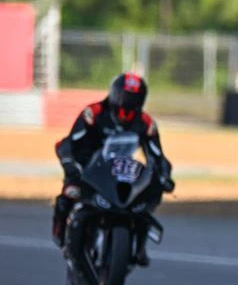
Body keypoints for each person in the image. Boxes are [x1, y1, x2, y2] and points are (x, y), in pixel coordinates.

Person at [52, 73, 175, 266]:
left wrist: (164, 176)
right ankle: (60, 229)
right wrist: (70, 164)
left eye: (134, 98)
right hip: (88, 168)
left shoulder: (145, 123)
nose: (127, 102)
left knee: (151, 193)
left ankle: (139, 244)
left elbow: (158, 156)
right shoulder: (93, 113)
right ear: (114, 93)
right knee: (71, 190)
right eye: (124, 96)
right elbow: (70, 143)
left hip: (122, 171)